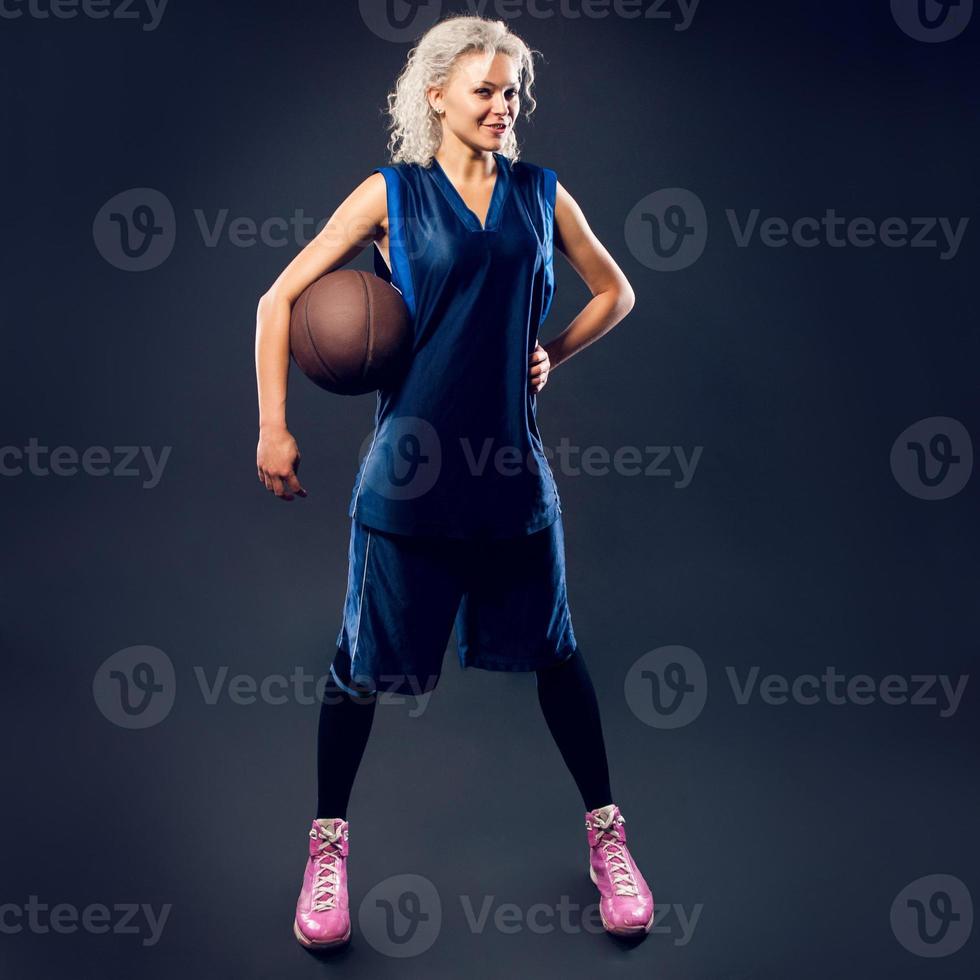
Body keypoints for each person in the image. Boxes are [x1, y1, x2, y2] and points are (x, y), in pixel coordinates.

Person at [254, 14, 653, 948]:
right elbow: (279, 301)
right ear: (434, 95)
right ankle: (326, 853)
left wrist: (551, 349)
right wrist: (273, 426)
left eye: (511, 92)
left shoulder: (542, 195)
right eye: (483, 90)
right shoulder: (390, 196)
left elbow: (616, 290)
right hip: (406, 481)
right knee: (358, 669)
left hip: (512, 476)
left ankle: (609, 842)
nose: (502, 107)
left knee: (558, 659)